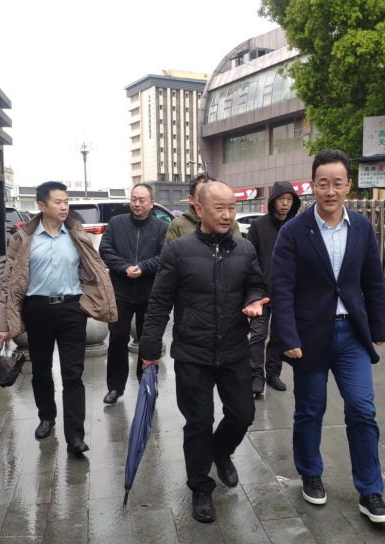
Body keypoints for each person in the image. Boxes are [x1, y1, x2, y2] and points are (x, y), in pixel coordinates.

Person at [271, 149, 385, 523]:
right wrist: (288, 337)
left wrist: (379, 327)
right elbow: (282, 288)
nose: (330, 191)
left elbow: (372, 280)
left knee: (362, 409)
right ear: (312, 186)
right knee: (310, 409)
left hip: (351, 335)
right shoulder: (294, 231)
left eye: (337, 183)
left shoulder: (361, 227)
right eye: (323, 183)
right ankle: (310, 473)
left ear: (348, 186)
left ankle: (370, 492)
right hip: (309, 335)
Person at [141, 181, 268, 524]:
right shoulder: (178, 250)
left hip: (234, 350)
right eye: (219, 208)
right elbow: (159, 303)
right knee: (198, 423)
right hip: (192, 353)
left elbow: (256, 284)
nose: (227, 215)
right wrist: (150, 350)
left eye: (232, 208)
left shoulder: (244, 248)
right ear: (199, 209)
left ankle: (220, 451)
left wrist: (253, 300)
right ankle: (200, 487)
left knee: (242, 415)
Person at [0, 182, 117, 455]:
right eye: (58, 202)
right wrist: (3, 325)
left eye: (66, 201)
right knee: (40, 370)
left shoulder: (77, 235)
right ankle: (46, 416)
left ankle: (75, 436)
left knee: (73, 374)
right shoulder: (23, 239)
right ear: (41, 206)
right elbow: (8, 283)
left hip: (72, 310)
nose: (64, 207)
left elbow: (95, 271)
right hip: (36, 310)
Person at [98, 183, 167, 404]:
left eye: (142, 200)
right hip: (121, 290)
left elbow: (164, 255)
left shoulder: (161, 227)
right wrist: (124, 267)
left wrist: (144, 267)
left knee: (147, 340)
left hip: (149, 292)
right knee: (118, 337)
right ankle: (115, 387)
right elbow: (105, 250)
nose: (137, 204)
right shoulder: (116, 223)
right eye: (133, 199)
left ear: (151, 203)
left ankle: (146, 384)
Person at [246, 181, 301, 394]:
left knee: (278, 335)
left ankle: (272, 374)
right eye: (281, 199)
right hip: (261, 291)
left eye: (289, 200)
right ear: (273, 201)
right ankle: (256, 376)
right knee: (258, 335)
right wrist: (253, 286)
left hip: (287, 292)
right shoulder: (258, 225)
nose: (285, 204)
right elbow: (250, 258)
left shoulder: (296, 226)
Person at [164, 173, 240, 243]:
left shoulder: (230, 224)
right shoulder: (177, 225)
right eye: (202, 195)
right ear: (191, 199)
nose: (226, 216)